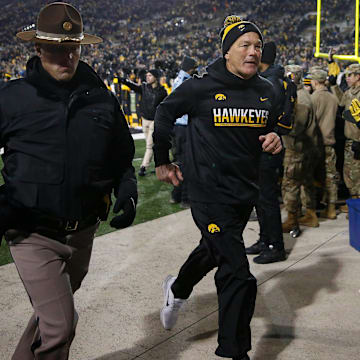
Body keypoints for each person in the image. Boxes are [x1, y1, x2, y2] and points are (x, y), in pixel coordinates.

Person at [0, 3, 137, 359]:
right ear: (38, 47)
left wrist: (128, 191)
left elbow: (122, 157)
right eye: (57, 48)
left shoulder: (102, 100)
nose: (66, 56)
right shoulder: (12, 98)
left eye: (72, 47)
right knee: (61, 325)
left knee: (49, 321)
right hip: (31, 231)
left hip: (83, 232)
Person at [153, 15, 282, 360]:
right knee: (238, 273)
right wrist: (163, 160)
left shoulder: (267, 92)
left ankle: (176, 289)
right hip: (208, 194)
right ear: (227, 52)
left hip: (243, 195)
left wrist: (275, 138)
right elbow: (164, 113)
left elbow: (269, 134)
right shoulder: (201, 86)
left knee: (213, 250)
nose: (253, 51)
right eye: (245, 45)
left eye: (257, 45)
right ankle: (233, 352)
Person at [245, 41, 292, 264]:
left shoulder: (270, 83)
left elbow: (265, 117)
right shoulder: (270, 79)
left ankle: (275, 246)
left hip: (267, 148)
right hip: (261, 148)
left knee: (267, 200)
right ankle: (265, 240)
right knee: (260, 199)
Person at [281, 65, 320, 232]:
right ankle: (310, 214)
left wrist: (280, 124)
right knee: (306, 182)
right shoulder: (299, 94)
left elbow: (297, 128)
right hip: (304, 147)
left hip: (297, 148)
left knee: (290, 183)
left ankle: (292, 219)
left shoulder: (300, 98)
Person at [119, 68, 167, 176]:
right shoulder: (144, 87)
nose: (147, 77)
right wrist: (125, 81)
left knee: (149, 145)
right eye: (147, 75)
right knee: (150, 144)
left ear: (155, 77)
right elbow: (134, 86)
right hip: (145, 120)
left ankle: (143, 167)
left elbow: (166, 107)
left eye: (150, 75)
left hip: (155, 121)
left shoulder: (162, 91)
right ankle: (159, 163)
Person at [309, 68, 339, 220]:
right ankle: (331, 208)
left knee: (312, 177)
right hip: (330, 142)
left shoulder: (314, 98)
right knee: (330, 177)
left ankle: (311, 210)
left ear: (315, 81)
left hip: (316, 144)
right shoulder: (333, 98)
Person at [331, 63, 360, 210]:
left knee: (356, 174)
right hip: (350, 140)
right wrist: (334, 86)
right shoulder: (350, 92)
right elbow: (341, 101)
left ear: (357, 76)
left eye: (350, 75)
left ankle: (357, 207)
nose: (347, 78)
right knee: (349, 173)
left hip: (357, 141)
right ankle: (354, 203)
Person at [169, 55, 197, 208]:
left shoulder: (177, 81)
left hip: (177, 128)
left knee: (178, 162)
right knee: (187, 163)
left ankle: (176, 195)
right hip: (185, 128)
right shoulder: (187, 82)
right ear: (190, 69)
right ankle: (185, 198)